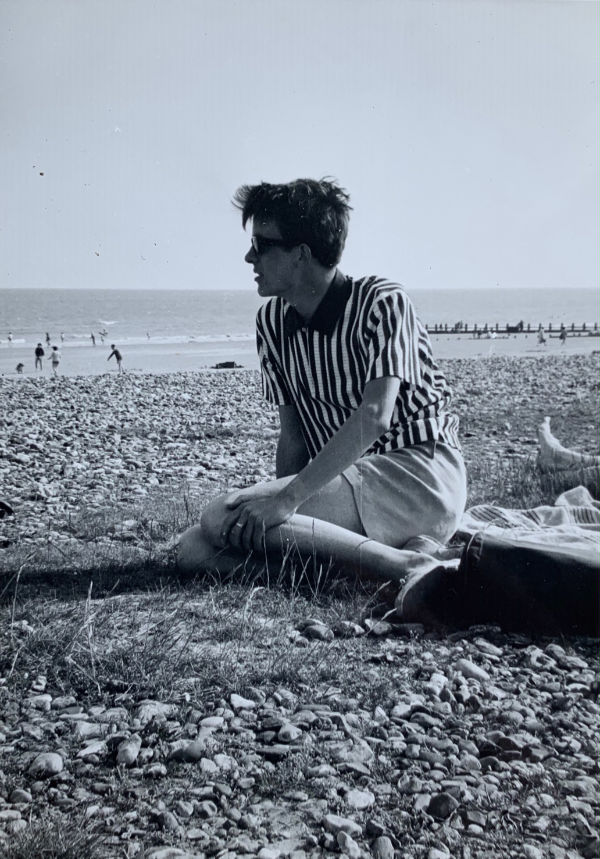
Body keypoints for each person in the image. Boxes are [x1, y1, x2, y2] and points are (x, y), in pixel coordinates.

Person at [178, 178, 467, 584]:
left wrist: (287, 500)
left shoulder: (382, 303)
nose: (249, 257)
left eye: (261, 245)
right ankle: (354, 574)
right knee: (193, 550)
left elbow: (375, 416)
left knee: (217, 515)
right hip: (347, 482)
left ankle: (403, 567)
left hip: (417, 475)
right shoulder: (272, 322)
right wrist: (276, 516)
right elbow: (292, 439)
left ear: (300, 255)